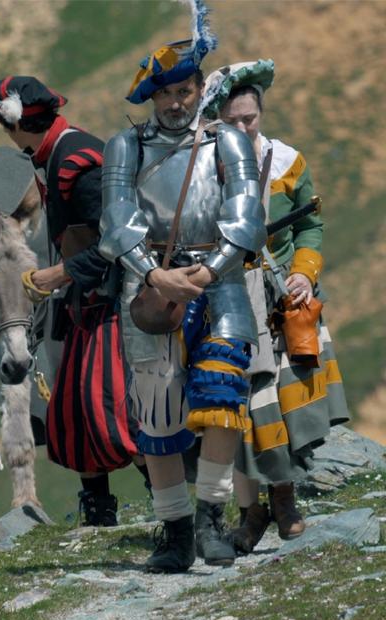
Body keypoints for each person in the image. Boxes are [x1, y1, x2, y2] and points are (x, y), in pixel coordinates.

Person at [99, 0, 266, 571]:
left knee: (223, 401)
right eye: (164, 93)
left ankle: (210, 520)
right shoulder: (127, 146)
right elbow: (115, 222)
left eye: (185, 91)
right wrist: (154, 273)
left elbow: (246, 217)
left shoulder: (228, 142)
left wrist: (210, 269)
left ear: (199, 90)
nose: (174, 102)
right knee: (159, 412)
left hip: (219, 284)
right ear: (152, 97)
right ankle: (173, 531)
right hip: (148, 289)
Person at [0, 75, 151, 526]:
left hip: (113, 304)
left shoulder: (77, 161)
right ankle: (97, 514)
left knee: (111, 410)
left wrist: (55, 275)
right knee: (76, 411)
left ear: (16, 123)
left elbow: (118, 242)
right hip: (85, 304)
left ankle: (167, 508)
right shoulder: (54, 156)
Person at [201, 59, 349, 552]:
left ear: (260, 114)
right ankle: (251, 512)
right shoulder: (202, 168)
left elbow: (311, 227)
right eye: (233, 121)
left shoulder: (288, 162)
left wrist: (305, 273)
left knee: (279, 403)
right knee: (237, 407)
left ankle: (283, 500)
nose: (243, 128)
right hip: (224, 300)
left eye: (250, 119)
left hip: (281, 302)